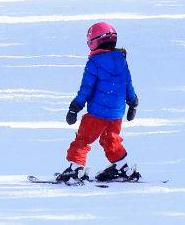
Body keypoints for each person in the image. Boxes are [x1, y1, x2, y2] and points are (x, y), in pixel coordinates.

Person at [54, 22, 140, 183]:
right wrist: (133, 102)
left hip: (97, 114)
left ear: (94, 42)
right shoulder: (121, 60)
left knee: (83, 139)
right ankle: (123, 168)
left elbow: (86, 89)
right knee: (110, 140)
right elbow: (128, 84)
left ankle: (76, 168)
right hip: (116, 113)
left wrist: (75, 107)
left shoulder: (94, 62)